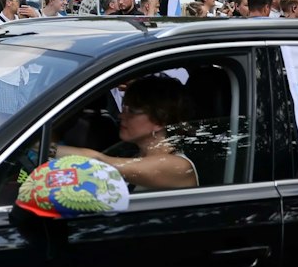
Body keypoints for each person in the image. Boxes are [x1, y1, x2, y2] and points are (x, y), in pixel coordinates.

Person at [57, 74, 199, 193]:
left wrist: (45, 148)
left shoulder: (177, 166)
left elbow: (100, 162)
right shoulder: (135, 155)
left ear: (159, 121)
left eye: (131, 111)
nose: (120, 116)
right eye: (124, 108)